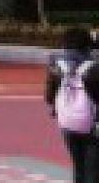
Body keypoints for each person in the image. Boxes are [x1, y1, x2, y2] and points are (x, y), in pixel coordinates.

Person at [45, 27, 99, 183]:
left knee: (79, 166)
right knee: (93, 170)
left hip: (67, 121)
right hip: (91, 125)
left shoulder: (55, 62)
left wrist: (53, 107)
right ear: (88, 44)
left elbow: (50, 92)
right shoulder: (93, 67)